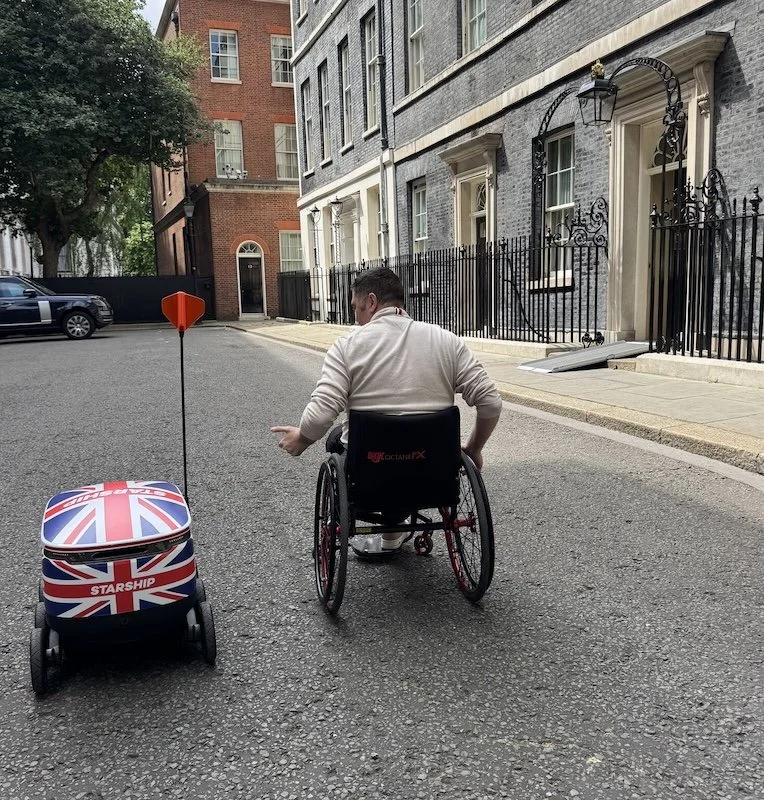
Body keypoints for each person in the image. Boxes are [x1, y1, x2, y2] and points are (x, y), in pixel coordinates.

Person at [272, 267, 502, 551]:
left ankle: (388, 530)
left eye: (356, 308)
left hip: (373, 469)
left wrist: (303, 438)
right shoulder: (447, 341)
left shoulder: (347, 347)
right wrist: (474, 447)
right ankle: (395, 532)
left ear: (371, 302)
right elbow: (490, 401)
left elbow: (320, 414)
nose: (355, 317)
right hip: (434, 469)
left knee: (336, 438)